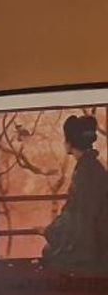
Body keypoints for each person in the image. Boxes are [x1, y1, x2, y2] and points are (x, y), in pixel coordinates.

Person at [41, 114, 108, 274]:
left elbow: (76, 214)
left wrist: (48, 231)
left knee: (48, 252)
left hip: (94, 245)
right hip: (99, 237)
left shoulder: (85, 171)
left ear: (70, 143)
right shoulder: (93, 166)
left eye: (65, 139)